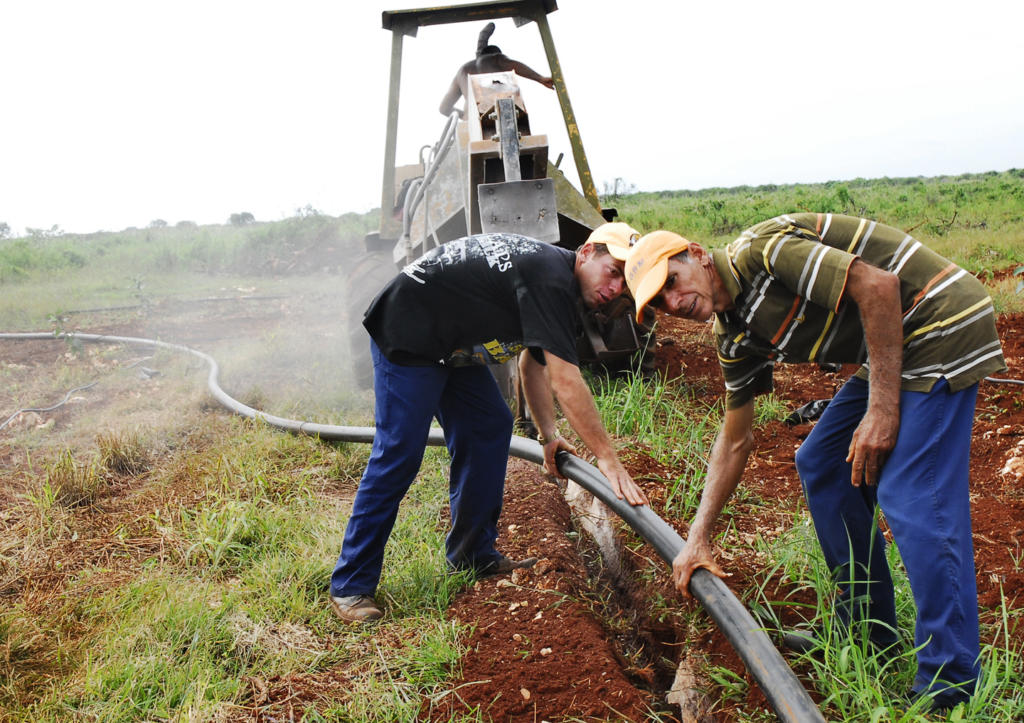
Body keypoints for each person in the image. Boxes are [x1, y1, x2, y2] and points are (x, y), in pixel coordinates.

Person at [624, 213, 1005, 711]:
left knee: (912, 493)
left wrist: (882, 409)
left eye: (672, 281)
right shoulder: (734, 334)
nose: (674, 302)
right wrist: (697, 537)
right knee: (823, 463)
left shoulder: (759, 252)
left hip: (939, 318)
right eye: (659, 302)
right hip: (894, 342)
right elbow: (735, 439)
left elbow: (877, 284)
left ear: (696, 253)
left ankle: (950, 684)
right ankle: (871, 633)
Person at [330, 223, 650, 624]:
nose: (617, 287)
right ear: (586, 253)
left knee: (490, 425)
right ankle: (350, 585)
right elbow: (566, 382)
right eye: (614, 270)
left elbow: (531, 362)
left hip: (449, 342)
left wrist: (548, 437)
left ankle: (472, 556)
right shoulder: (550, 276)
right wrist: (609, 460)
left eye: (626, 281)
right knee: (399, 453)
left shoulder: (564, 289)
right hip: (409, 331)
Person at [438, 21, 555, 118]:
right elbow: (514, 65)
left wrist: (466, 117)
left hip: (471, 121)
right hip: (499, 115)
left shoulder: (462, 71)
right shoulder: (495, 58)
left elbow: (444, 108)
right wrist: (540, 78)